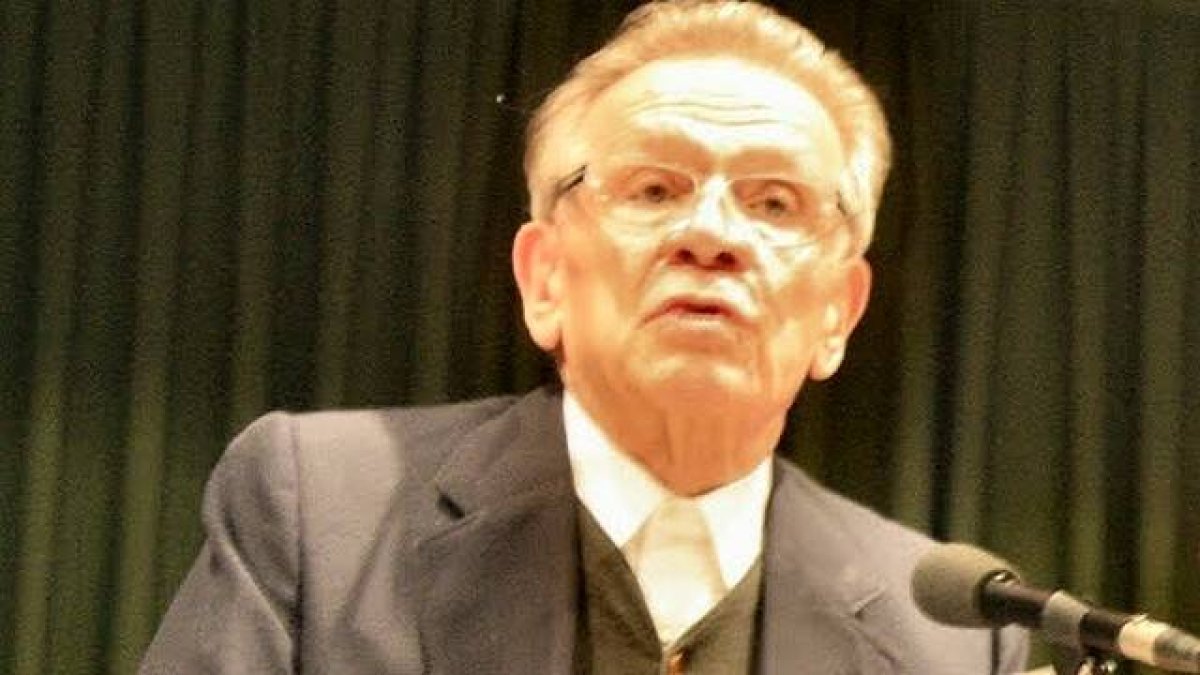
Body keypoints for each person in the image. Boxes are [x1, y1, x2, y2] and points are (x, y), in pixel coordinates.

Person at [140, 1, 1029, 673]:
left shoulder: (947, 633)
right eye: (653, 190)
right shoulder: (322, 510)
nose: (711, 235)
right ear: (545, 278)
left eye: (773, 202)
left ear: (838, 309)